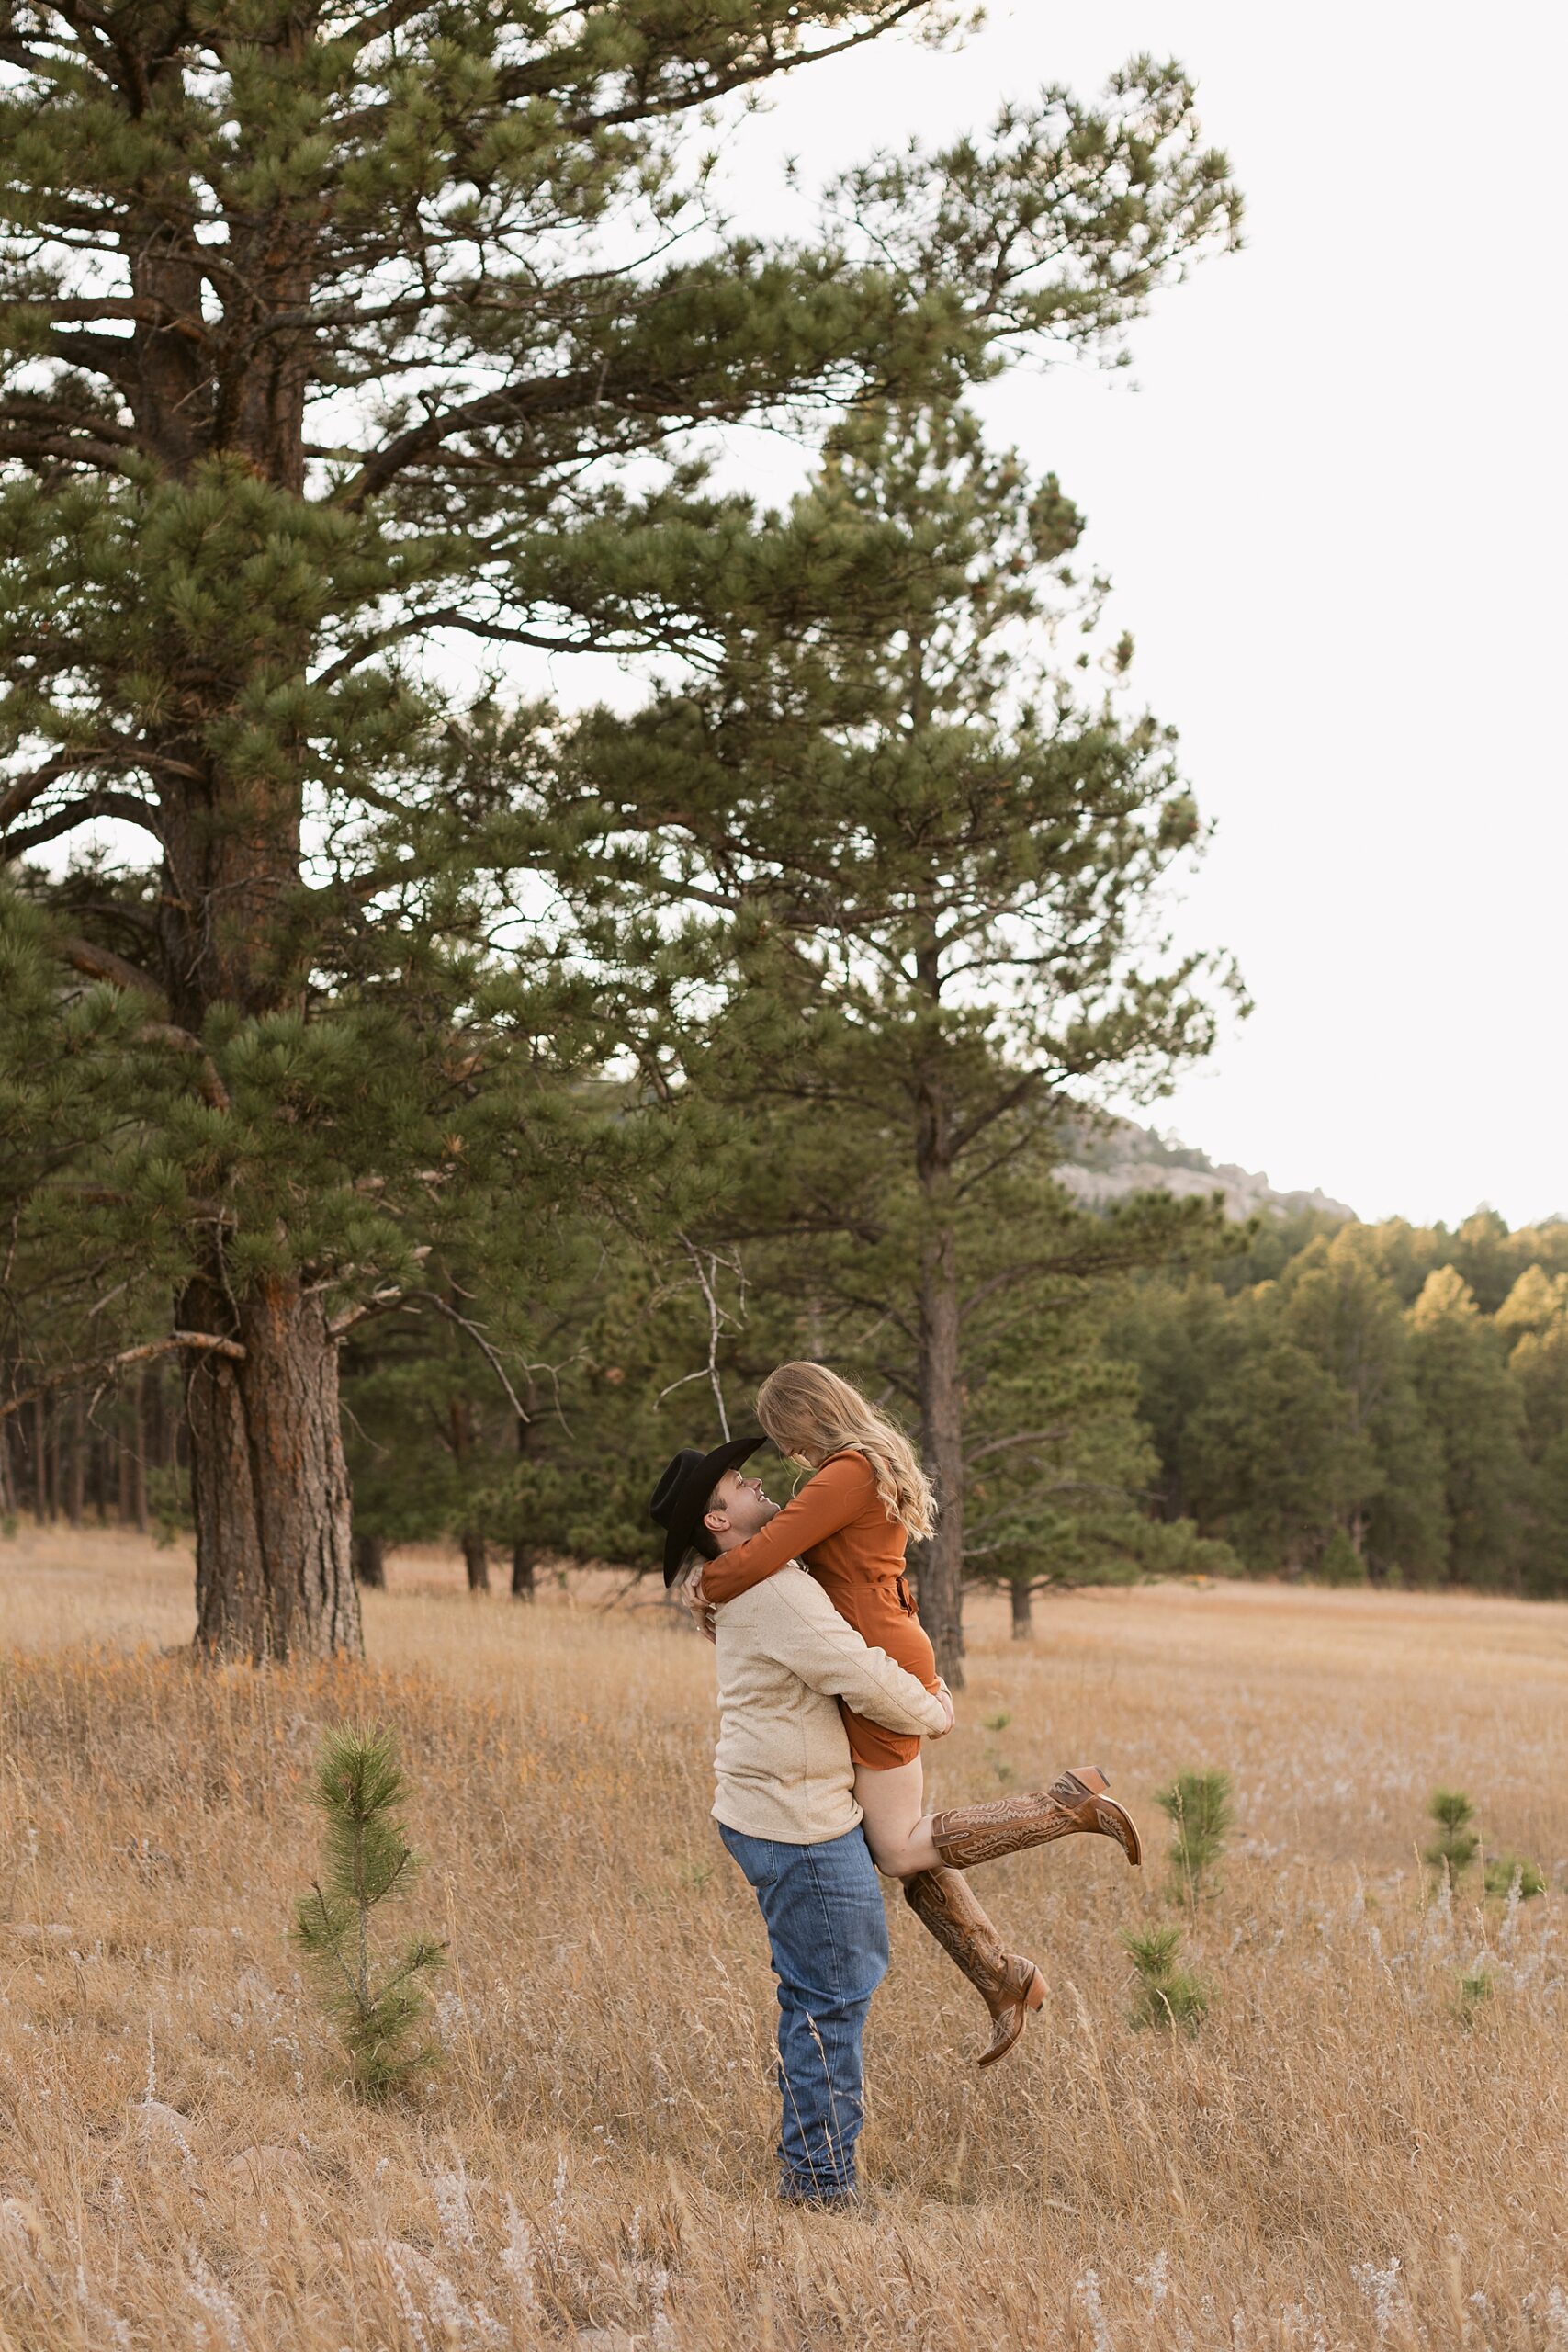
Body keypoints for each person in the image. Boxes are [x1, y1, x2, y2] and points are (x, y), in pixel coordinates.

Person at [686, 1363, 1143, 2064]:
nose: (787, 1454)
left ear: (808, 1417)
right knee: (895, 1841)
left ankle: (1064, 1807)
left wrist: (704, 1586)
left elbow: (766, 1553)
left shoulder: (845, 1472)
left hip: (876, 1661)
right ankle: (1000, 1979)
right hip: (881, 1648)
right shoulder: (858, 1466)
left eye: (785, 1436)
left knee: (897, 1846)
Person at [649, 1432, 951, 2208]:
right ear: (718, 1521)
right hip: (797, 1822)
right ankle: (818, 2185)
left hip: (773, 1809)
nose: (756, 1485)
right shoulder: (774, 1592)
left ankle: (814, 2169)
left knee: (818, 1994)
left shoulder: (764, 1578)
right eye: (738, 1483)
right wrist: (934, 1709)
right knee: (832, 1998)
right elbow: (856, 1673)